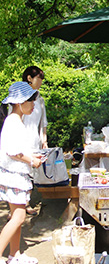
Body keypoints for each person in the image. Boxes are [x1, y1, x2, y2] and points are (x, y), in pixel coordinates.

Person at [0, 81, 43, 264]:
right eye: (30, 101)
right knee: (18, 217)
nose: (33, 105)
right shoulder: (13, 122)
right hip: (14, 175)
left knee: (16, 217)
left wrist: (33, 155)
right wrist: (32, 160)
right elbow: (13, 151)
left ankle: (14, 255)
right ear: (19, 103)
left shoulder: (16, 120)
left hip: (14, 174)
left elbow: (18, 150)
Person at [22, 66, 48, 216]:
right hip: (22, 138)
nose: (41, 82)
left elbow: (43, 122)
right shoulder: (20, 97)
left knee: (31, 171)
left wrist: (44, 139)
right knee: (21, 170)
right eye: (39, 79)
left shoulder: (40, 99)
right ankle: (19, 205)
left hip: (34, 140)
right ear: (29, 78)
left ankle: (26, 202)